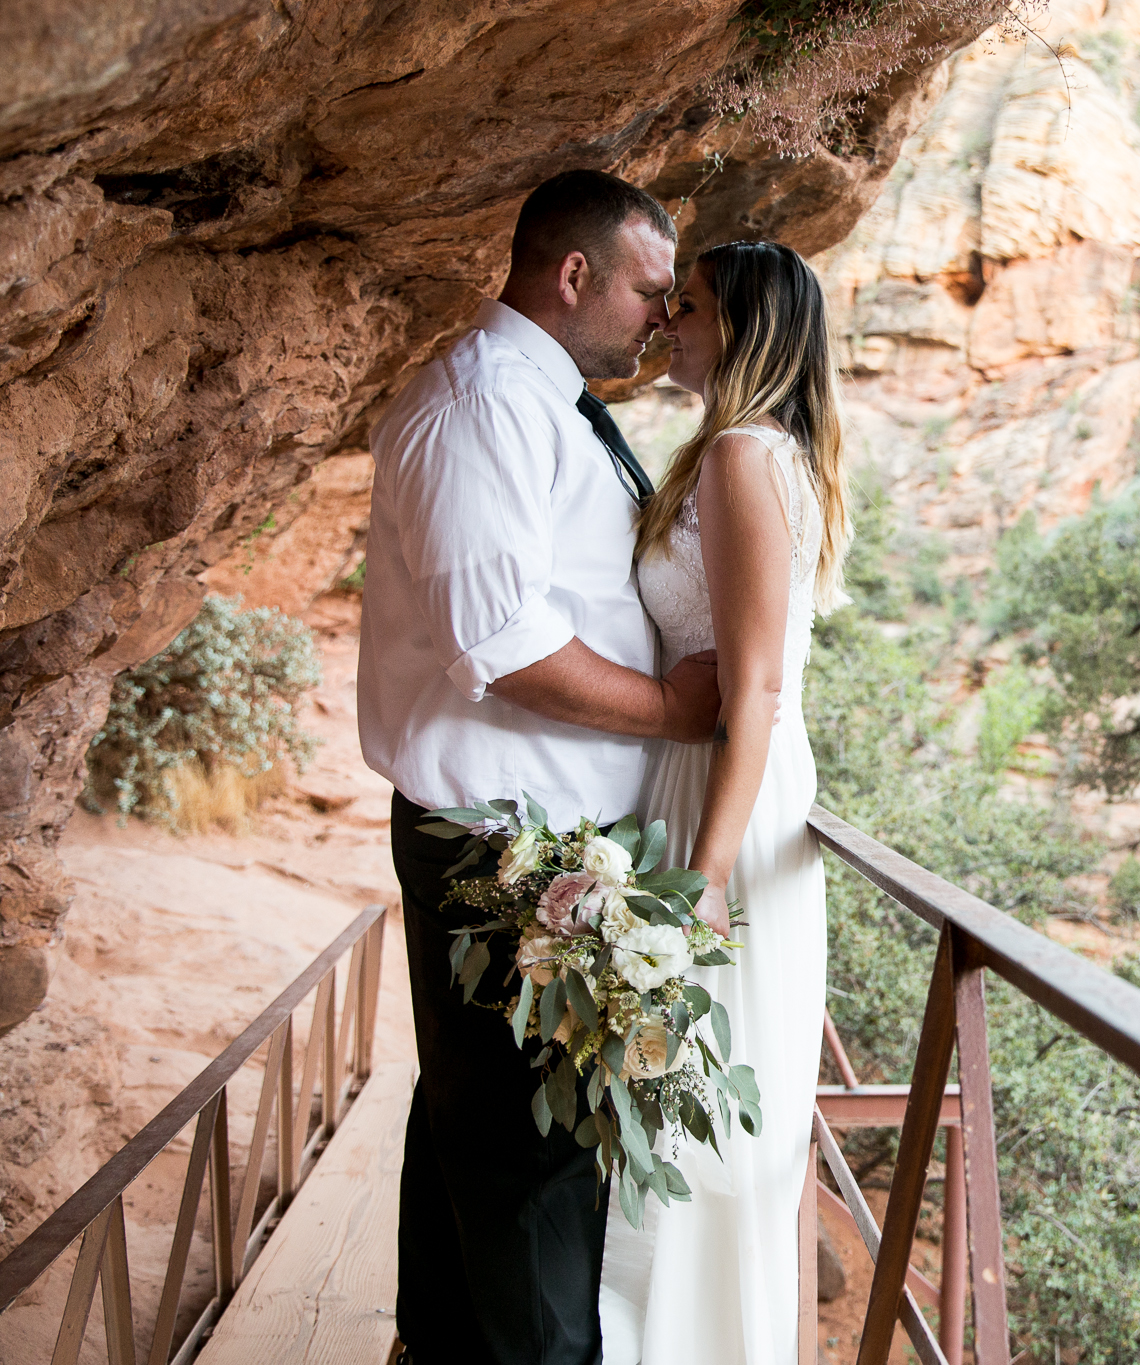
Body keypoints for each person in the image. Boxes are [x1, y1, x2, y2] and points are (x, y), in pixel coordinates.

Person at [358, 168, 725, 1365]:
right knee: (533, 1158)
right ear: (573, 275)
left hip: (540, 836)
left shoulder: (543, 397)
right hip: (499, 842)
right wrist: (674, 714)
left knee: (482, 1123)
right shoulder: (483, 403)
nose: (660, 319)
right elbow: (499, 641)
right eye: (647, 291)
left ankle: (439, 1349)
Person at [596, 241, 848, 1365]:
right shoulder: (743, 449)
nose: (664, 320)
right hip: (701, 779)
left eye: (685, 306)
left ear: (742, 330)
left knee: (695, 1109)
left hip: (725, 801)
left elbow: (752, 685)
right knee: (668, 1099)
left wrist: (699, 876)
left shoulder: (744, 455)